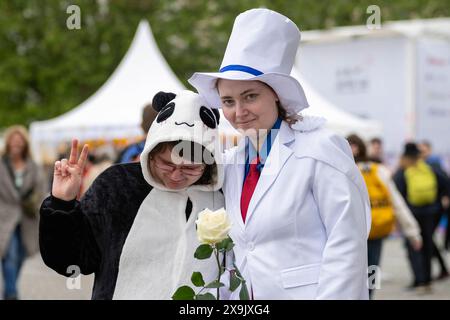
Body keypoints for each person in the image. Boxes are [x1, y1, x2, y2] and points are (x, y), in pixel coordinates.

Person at [189, 8, 371, 299]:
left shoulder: (320, 147)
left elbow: (347, 243)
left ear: (275, 93)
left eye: (250, 96)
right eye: (228, 101)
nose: (239, 112)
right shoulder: (233, 161)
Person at [39, 90, 225, 299]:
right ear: (151, 153)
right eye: (167, 163)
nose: (175, 175)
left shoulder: (223, 195)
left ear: (209, 163)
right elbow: (72, 261)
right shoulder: (118, 187)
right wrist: (62, 204)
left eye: (190, 168)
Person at [346, 134, 422, 299]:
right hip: (376, 227)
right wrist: (413, 232)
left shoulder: (343, 170)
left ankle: (364, 295)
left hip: (353, 231)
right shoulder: (379, 170)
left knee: (356, 269)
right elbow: (398, 203)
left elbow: (396, 202)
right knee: (373, 267)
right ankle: (368, 296)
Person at [393, 142, 448, 292]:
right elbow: (446, 183)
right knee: (428, 245)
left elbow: (396, 193)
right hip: (431, 213)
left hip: (411, 214)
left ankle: (418, 281)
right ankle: (427, 281)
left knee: (414, 246)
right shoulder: (429, 168)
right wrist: (439, 202)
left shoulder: (403, 171)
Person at [0, 125, 45, 300]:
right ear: (9, 143)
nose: (16, 144)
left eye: (20, 141)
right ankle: (12, 294)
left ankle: (8, 291)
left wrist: (35, 204)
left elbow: (40, 190)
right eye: (14, 140)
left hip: (27, 218)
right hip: (4, 218)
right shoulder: (2, 164)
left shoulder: (33, 166)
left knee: (20, 256)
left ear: (25, 144)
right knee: (9, 254)